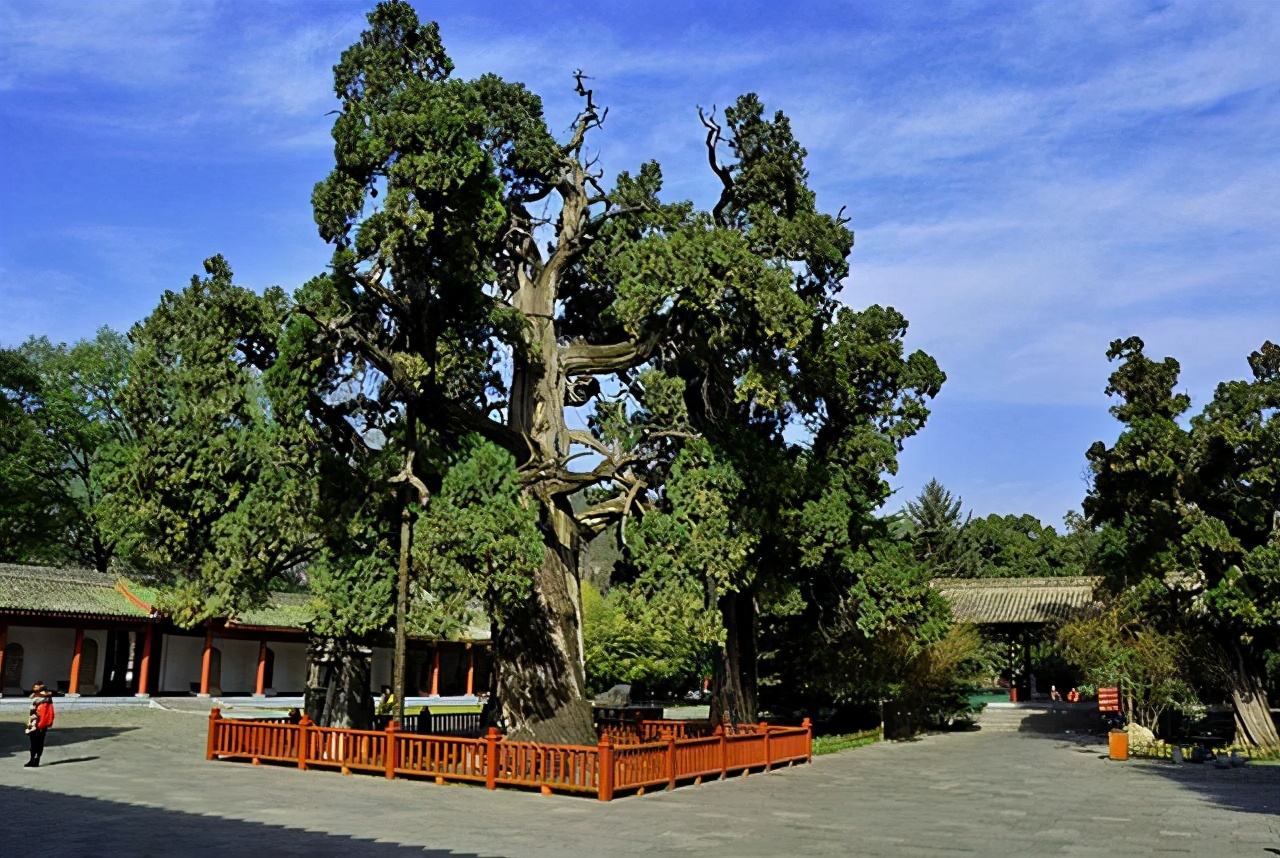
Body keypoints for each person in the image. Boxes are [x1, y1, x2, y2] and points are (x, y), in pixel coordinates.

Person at [25, 681, 55, 768]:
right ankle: (32, 759)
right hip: (34, 722)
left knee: (38, 742)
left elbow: (43, 713)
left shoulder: (46, 700)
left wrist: (36, 720)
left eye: (36, 687)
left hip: (40, 723)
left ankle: (36, 759)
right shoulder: (36, 698)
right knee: (33, 742)